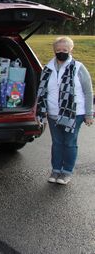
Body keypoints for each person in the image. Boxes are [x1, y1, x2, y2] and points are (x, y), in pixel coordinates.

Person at [36, 36, 93, 185]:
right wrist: (42, 111)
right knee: (57, 143)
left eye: (65, 50)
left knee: (69, 143)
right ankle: (55, 170)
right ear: (54, 50)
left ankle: (66, 172)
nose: (61, 52)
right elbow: (42, 91)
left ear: (70, 50)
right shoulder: (47, 68)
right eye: (58, 50)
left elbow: (88, 92)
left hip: (74, 113)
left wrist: (89, 114)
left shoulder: (79, 67)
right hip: (53, 113)